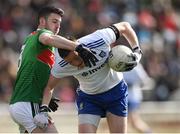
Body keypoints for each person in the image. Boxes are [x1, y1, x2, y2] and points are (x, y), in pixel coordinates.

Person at [35, 22, 142, 133]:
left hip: (115, 92)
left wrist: (137, 50)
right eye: (70, 62)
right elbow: (48, 87)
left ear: (78, 47)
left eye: (75, 58)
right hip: (89, 99)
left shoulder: (99, 39)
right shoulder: (60, 65)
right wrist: (43, 109)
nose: (75, 64)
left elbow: (125, 26)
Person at [9, 6, 98, 133]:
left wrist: (43, 98)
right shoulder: (42, 34)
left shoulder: (32, 40)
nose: (57, 26)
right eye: (54, 21)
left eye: (59, 23)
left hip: (22, 103)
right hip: (28, 103)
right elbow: (48, 38)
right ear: (42, 22)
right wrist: (78, 47)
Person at [123, 63, 154, 133]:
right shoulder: (117, 63)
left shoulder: (135, 65)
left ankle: (148, 132)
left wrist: (131, 83)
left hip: (133, 97)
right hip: (122, 98)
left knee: (134, 122)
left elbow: (144, 79)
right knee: (126, 122)